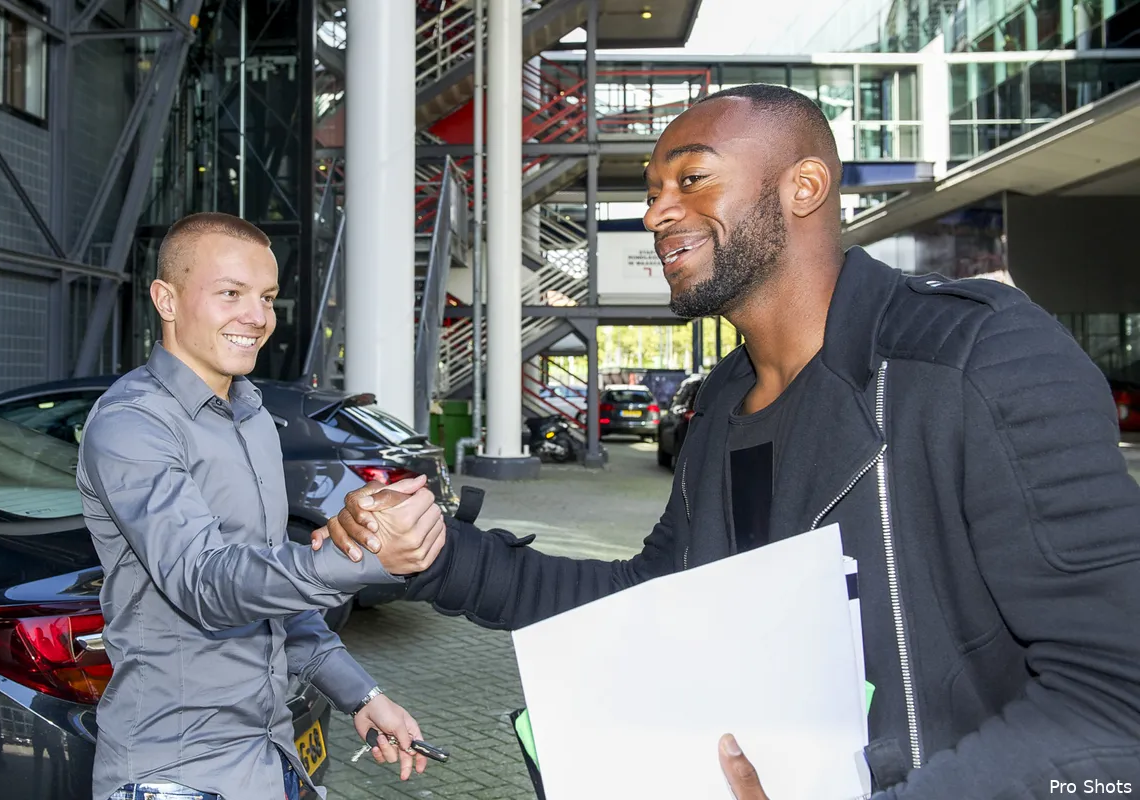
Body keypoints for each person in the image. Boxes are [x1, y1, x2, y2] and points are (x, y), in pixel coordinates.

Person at [318, 84, 1140, 798]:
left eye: (692, 178)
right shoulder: (722, 406)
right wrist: (435, 557)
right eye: (651, 189)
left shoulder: (973, 357)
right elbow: (650, 607)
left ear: (804, 187)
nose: (655, 211)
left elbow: (1115, 702)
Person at [77, 212, 436, 800]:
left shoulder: (253, 419)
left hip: (272, 758)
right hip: (176, 775)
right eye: (230, 294)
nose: (257, 316)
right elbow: (205, 583)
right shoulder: (131, 424)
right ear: (166, 299)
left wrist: (363, 695)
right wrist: (369, 555)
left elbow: (271, 599)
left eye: (267, 296)